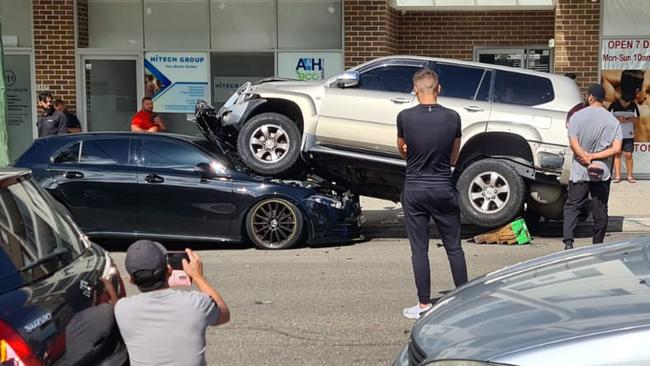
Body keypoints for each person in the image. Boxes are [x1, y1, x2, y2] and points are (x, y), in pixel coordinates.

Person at [396, 69, 468, 320]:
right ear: (439, 89)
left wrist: (414, 156)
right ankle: (465, 301)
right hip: (442, 187)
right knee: (454, 248)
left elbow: (402, 148)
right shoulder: (453, 117)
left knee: (419, 250)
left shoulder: (404, 116)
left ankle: (424, 304)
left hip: (415, 188)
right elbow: (454, 157)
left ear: (415, 90)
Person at [114, 240, 230, 366]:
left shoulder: (122, 309)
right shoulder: (196, 303)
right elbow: (223, 313)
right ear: (169, 270)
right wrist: (197, 276)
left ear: (131, 280)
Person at [563, 84, 623, 251]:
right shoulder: (613, 121)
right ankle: (597, 244)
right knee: (600, 208)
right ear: (602, 99)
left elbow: (573, 143)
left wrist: (585, 157)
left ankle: (568, 241)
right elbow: (616, 149)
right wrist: (594, 157)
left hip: (580, 172)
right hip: (601, 172)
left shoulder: (576, 117)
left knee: (573, 205)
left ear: (590, 97)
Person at [609, 70, 643, 183]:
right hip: (616, 134)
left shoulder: (633, 105)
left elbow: (637, 119)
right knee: (617, 153)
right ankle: (617, 176)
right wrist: (617, 119)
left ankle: (630, 176)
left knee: (628, 154)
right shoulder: (613, 104)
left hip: (628, 134)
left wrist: (628, 119)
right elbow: (607, 119)